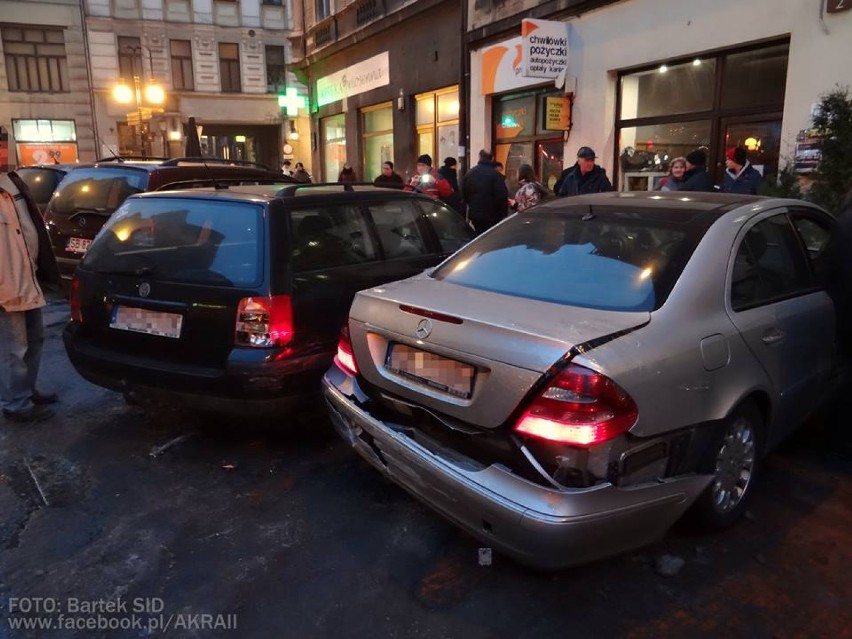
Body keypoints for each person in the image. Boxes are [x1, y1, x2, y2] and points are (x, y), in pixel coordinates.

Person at [1, 171, 62, 423]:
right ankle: (16, 404)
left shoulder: (12, 180)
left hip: (28, 277)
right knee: (14, 349)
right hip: (6, 285)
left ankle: (27, 389)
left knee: (35, 338)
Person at [461, 149, 509, 234]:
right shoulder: (496, 176)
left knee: (479, 237)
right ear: (492, 158)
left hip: (475, 215)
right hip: (493, 216)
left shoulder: (469, 174)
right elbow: (501, 196)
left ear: (479, 157)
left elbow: (465, 195)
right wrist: (503, 213)